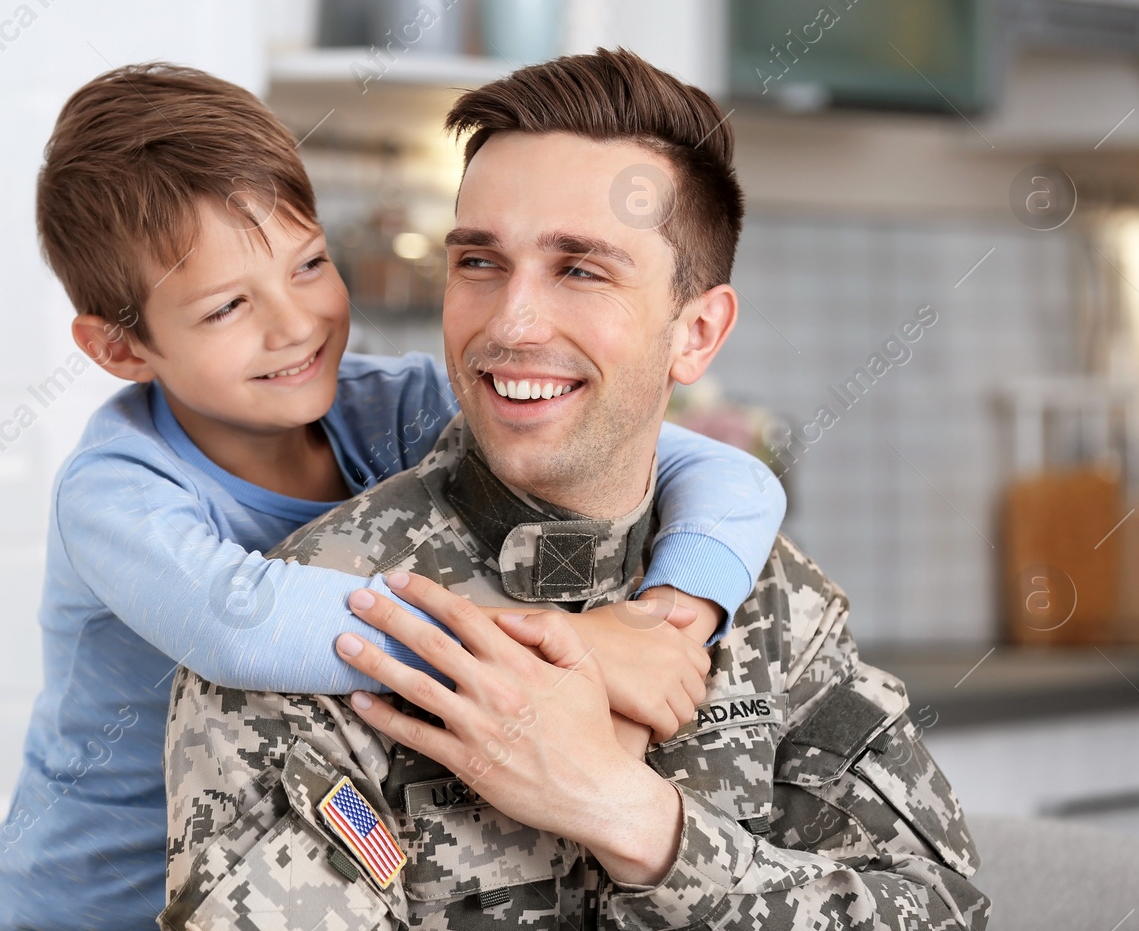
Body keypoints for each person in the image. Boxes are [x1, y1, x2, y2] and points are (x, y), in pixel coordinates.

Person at [162, 49, 989, 930]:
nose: (510, 323)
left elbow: (942, 914)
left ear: (697, 332)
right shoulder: (313, 639)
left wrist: (627, 813)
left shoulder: (774, 609)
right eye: (479, 261)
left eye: (580, 269)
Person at [0, 64, 788, 930]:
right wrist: (575, 645)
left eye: (310, 263)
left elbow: (731, 474)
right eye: (228, 306)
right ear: (121, 349)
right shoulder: (117, 488)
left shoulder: (386, 406)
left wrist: (672, 612)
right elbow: (245, 623)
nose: (297, 323)